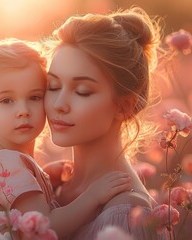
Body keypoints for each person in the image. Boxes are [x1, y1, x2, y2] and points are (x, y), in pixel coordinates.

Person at [0, 38, 131, 238]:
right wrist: (93, 196)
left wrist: (46, 178)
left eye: (34, 97)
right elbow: (46, 227)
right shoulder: (3, 163)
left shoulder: (6, 162)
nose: (23, 111)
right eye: (6, 100)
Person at [42, 6, 169, 239]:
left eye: (82, 91)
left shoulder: (125, 215)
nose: (59, 103)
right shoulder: (52, 185)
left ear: (124, 106)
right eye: (53, 86)